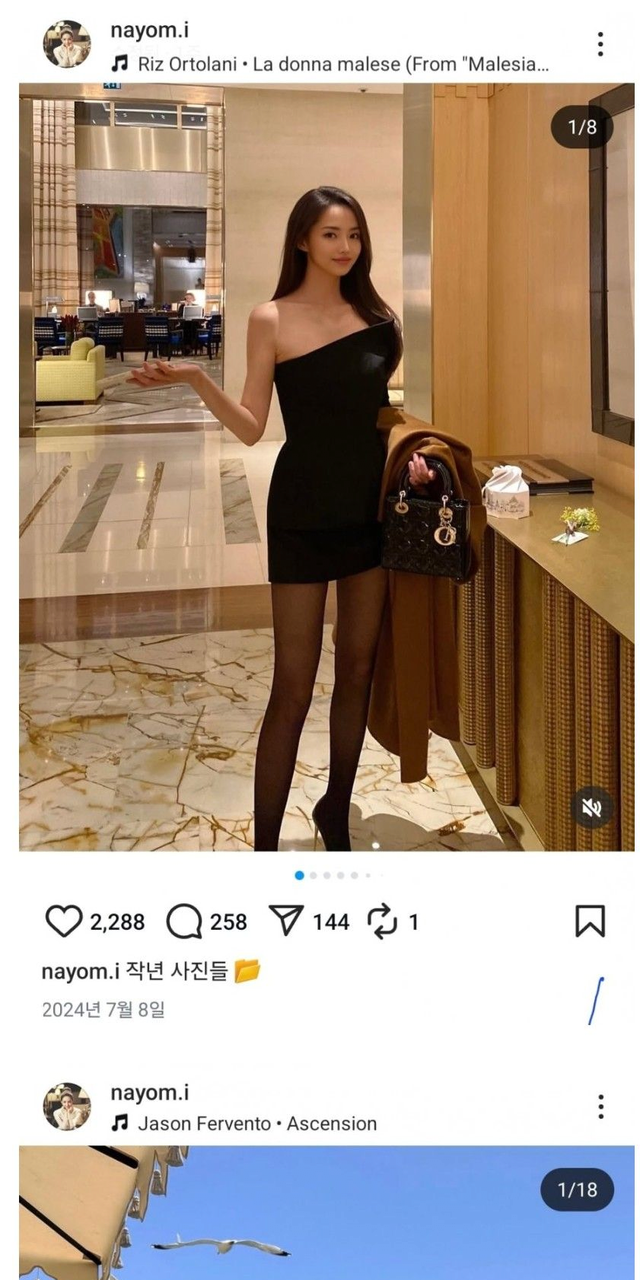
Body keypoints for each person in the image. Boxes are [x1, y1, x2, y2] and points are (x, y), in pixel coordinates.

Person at [129, 186, 435, 850]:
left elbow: (377, 413)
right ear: (302, 240)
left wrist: (411, 455)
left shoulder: (379, 318)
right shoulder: (269, 317)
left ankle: (336, 811)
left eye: (353, 234)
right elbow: (250, 426)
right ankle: (265, 847)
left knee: (357, 670)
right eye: (330, 234)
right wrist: (197, 381)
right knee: (292, 685)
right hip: (301, 508)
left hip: (368, 509)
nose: (345, 246)